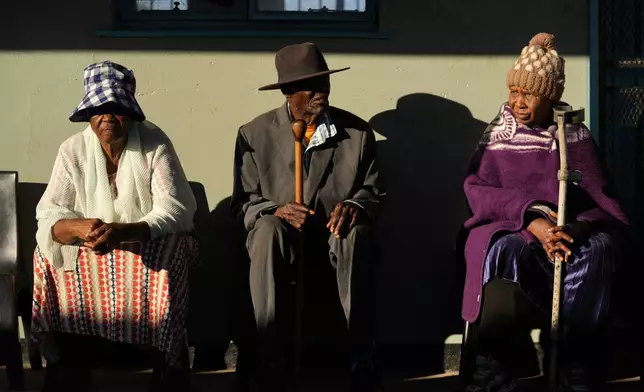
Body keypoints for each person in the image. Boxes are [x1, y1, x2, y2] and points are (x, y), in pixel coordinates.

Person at [460, 33, 628, 392]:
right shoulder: (497, 134)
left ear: (550, 96)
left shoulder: (573, 134)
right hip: (514, 228)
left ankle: (574, 362)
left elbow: (600, 197)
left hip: (567, 233)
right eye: (514, 92)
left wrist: (575, 229)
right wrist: (531, 219)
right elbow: (477, 190)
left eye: (529, 94)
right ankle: (496, 365)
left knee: (597, 249)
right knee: (501, 250)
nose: (519, 102)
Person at [32, 61, 198, 392]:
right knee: (44, 254)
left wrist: (125, 232)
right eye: (99, 109)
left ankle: (166, 357)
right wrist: (78, 228)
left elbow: (176, 210)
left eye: (117, 108)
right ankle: (68, 359)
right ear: (89, 115)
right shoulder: (72, 150)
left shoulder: (154, 144)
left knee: (174, 247)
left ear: (131, 113)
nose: (108, 117)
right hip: (93, 247)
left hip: (142, 242)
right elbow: (49, 214)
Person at [231, 42, 385, 391]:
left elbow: (373, 192)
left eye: (324, 84)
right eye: (311, 86)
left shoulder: (357, 134)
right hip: (280, 240)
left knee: (356, 234)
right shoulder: (254, 135)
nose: (322, 93)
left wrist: (355, 207)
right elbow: (243, 204)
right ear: (288, 92)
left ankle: (360, 356)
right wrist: (277, 210)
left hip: (332, 238)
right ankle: (269, 355)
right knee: (267, 230)